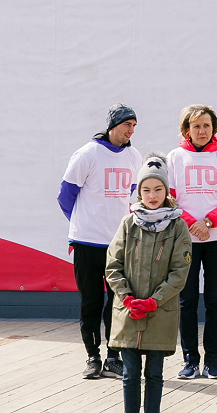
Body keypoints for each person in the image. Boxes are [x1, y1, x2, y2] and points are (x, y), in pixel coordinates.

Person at [57, 103, 142, 379]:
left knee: (117, 302)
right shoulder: (88, 154)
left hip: (118, 244)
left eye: (133, 126)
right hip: (86, 244)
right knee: (91, 302)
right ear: (112, 126)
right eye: (126, 124)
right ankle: (92, 357)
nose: (130, 130)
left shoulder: (134, 157)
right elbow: (65, 196)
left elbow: (128, 196)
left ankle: (113, 357)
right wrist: (82, 224)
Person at [105, 154, 192, 413]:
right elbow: (113, 265)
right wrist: (127, 298)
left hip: (160, 313)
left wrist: (154, 300)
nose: (152, 195)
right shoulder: (127, 223)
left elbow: (180, 271)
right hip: (127, 312)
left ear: (166, 190)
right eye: (146, 189)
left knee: (154, 374)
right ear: (138, 192)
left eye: (158, 189)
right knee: (130, 374)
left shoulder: (177, 226)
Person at [166, 104, 217, 379]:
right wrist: (192, 224)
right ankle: (190, 361)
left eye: (207, 125)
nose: (202, 130)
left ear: (214, 128)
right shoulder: (174, 157)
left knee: (214, 300)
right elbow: (169, 199)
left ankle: (212, 361)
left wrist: (208, 222)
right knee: (186, 301)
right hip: (185, 240)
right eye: (196, 126)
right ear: (186, 129)